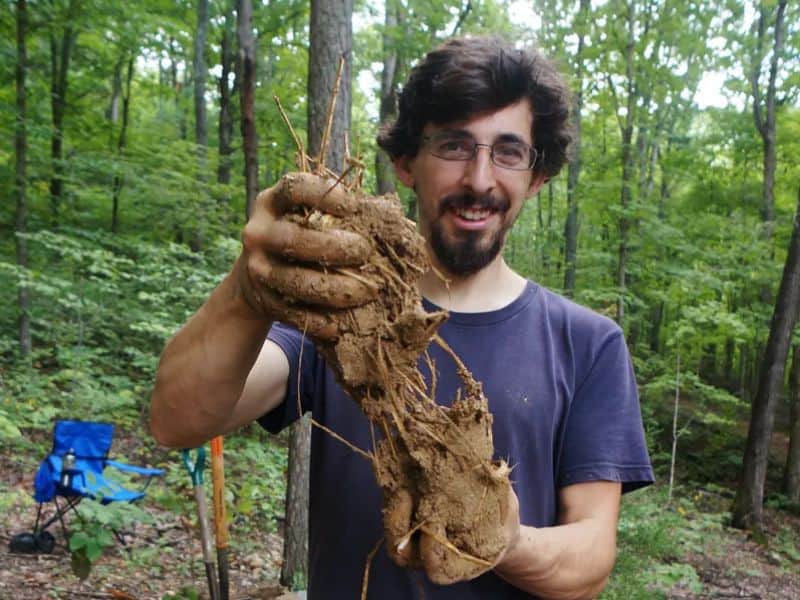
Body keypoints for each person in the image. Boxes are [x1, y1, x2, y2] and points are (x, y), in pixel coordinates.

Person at [150, 36, 654, 599]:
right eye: (455, 146)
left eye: (508, 151)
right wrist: (248, 290)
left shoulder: (587, 344)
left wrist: (504, 540)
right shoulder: (338, 307)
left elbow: (591, 559)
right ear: (406, 162)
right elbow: (177, 419)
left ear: (536, 177)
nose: (481, 179)